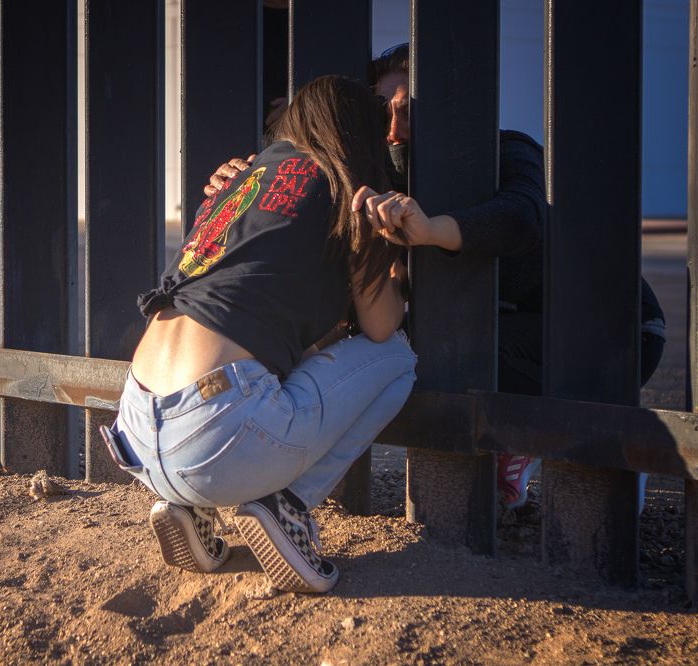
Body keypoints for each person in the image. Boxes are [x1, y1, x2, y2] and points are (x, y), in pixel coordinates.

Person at [206, 42, 666, 511]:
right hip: (494, 329)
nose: (392, 130)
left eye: (408, 112)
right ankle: (524, 437)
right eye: (382, 113)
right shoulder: (376, 174)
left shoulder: (508, 148)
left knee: (418, 350)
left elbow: (521, 218)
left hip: (609, 332)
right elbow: (313, 201)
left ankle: (596, 439)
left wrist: (431, 231)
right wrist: (251, 182)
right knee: (395, 349)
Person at [100, 76, 419, 594]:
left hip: (135, 427)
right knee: (399, 359)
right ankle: (287, 504)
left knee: (261, 356)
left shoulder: (245, 177)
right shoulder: (348, 188)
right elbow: (381, 325)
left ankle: (188, 505)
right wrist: (390, 256)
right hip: (216, 432)